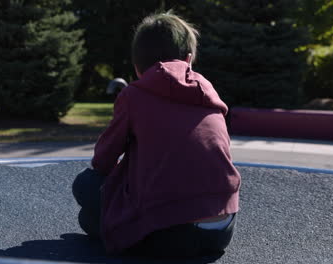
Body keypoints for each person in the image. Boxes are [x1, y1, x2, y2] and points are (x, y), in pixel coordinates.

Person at [72, 11, 241, 257]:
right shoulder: (209, 93)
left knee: (86, 193)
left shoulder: (134, 96)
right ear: (189, 58)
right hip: (221, 230)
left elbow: (102, 161)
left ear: (138, 66)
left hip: (170, 232)